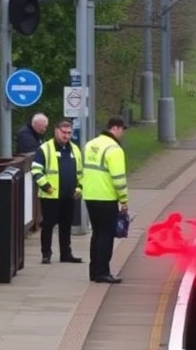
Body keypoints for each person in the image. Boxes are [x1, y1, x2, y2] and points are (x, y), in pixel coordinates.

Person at [82, 117, 129, 284]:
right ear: (115, 128)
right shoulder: (114, 149)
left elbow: (83, 170)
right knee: (106, 236)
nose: (122, 133)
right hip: (106, 197)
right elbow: (118, 178)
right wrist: (124, 199)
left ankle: (94, 271)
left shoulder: (90, 145)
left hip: (90, 196)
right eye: (122, 129)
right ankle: (103, 272)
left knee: (96, 234)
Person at [30, 119, 84, 264]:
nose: (66, 136)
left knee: (66, 226)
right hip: (50, 195)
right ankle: (46, 254)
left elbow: (80, 173)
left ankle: (66, 254)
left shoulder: (75, 149)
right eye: (63, 132)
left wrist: (79, 188)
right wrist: (45, 185)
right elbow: (35, 169)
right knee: (48, 225)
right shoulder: (45, 148)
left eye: (69, 133)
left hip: (69, 195)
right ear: (56, 131)